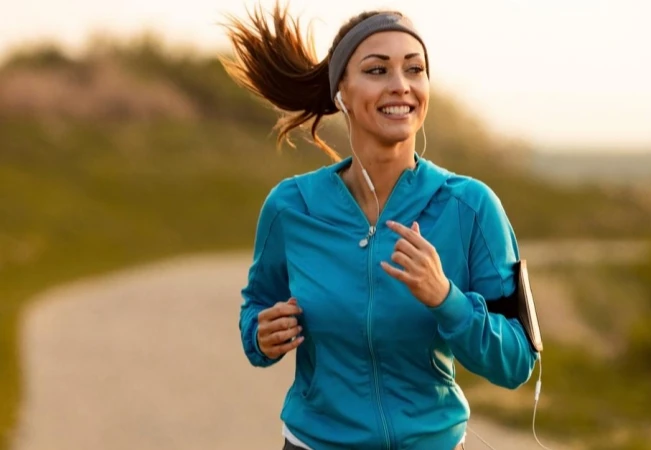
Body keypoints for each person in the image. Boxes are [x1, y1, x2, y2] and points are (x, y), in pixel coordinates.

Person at [221, 3, 539, 449]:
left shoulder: (470, 206)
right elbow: (257, 306)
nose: (401, 86)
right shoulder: (291, 208)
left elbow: (517, 361)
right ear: (341, 93)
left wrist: (446, 299)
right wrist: (261, 334)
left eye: (415, 69)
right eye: (377, 70)